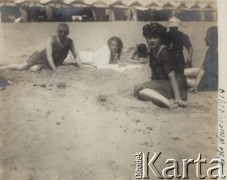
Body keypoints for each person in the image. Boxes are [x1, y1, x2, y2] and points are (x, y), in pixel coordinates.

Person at [134, 23, 188, 109]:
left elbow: (172, 77)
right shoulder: (152, 51)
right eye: (149, 38)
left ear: (160, 38)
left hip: (174, 86)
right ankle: (164, 99)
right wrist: (152, 84)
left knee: (140, 90)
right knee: (140, 91)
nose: (152, 41)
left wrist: (177, 98)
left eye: (155, 37)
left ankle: (169, 103)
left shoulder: (164, 52)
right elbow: (154, 73)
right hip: (163, 83)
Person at [0, 23, 83, 72]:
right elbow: (49, 56)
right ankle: (5, 67)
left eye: (65, 32)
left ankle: (32, 69)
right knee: (21, 67)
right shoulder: (51, 39)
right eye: (60, 32)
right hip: (41, 57)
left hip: (52, 62)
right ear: (57, 31)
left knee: (34, 69)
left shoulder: (69, 42)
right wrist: (54, 69)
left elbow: (75, 55)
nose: (63, 34)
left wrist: (82, 68)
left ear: (68, 32)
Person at [185, 26, 218, 93]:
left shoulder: (218, 53)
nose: (205, 39)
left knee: (181, 79)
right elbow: (203, 69)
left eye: (208, 37)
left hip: (211, 83)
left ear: (214, 39)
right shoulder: (210, 51)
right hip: (207, 75)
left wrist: (195, 86)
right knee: (182, 72)